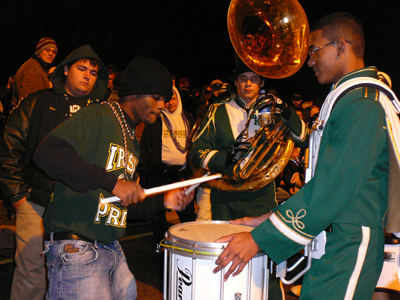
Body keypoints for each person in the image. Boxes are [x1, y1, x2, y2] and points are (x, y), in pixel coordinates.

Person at [213, 12, 400, 300]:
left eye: (314, 50)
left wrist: (259, 239)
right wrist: (272, 217)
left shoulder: (363, 103)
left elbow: (333, 188)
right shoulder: (351, 98)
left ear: (340, 46)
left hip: (349, 244)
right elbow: (327, 183)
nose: (309, 60)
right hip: (336, 238)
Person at [32, 56, 193, 300]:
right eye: (157, 97)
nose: (163, 104)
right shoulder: (99, 115)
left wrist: (165, 202)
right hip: (79, 246)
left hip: (109, 245)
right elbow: (46, 152)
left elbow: (119, 207)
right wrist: (113, 182)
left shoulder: (131, 138)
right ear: (135, 94)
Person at [189, 56, 307, 299]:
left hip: (261, 198)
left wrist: (285, 109)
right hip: (224, 199)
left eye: (254, 79)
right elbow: (196, 151)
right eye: (243, 79)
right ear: (236, 81)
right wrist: (227, 161)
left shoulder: (274, 112)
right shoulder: (216, 110)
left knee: (267, 266)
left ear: (261, 81)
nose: (248, 84)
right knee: (228, 261)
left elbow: (303, 138)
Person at [0, 44, 108, 300]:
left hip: (82, 210)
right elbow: (9, 146)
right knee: (31, 275)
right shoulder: (38, 102)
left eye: (93, 72)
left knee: (78, 276)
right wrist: (18, 197)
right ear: (66, 69)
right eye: (81, 69)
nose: (87, 76)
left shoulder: (102, 113)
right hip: (36, 204)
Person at [138, 86, 196, 250]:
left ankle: (188, 244)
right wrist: (143, 171)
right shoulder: (155, 119)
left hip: (181, 176)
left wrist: (192, 174)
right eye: (168, 99)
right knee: (158, 215)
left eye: (174, 98)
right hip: (159, 173)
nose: (171, 103)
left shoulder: (189, 119)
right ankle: (160, 244)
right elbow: (145, 146)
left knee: (187, 213)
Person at [11, 37, 58, 108]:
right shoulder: (34, 69)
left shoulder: (38, 67)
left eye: (54, 52)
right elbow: (29, 103)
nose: (51, 54)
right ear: (39, 51)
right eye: (47, 50)